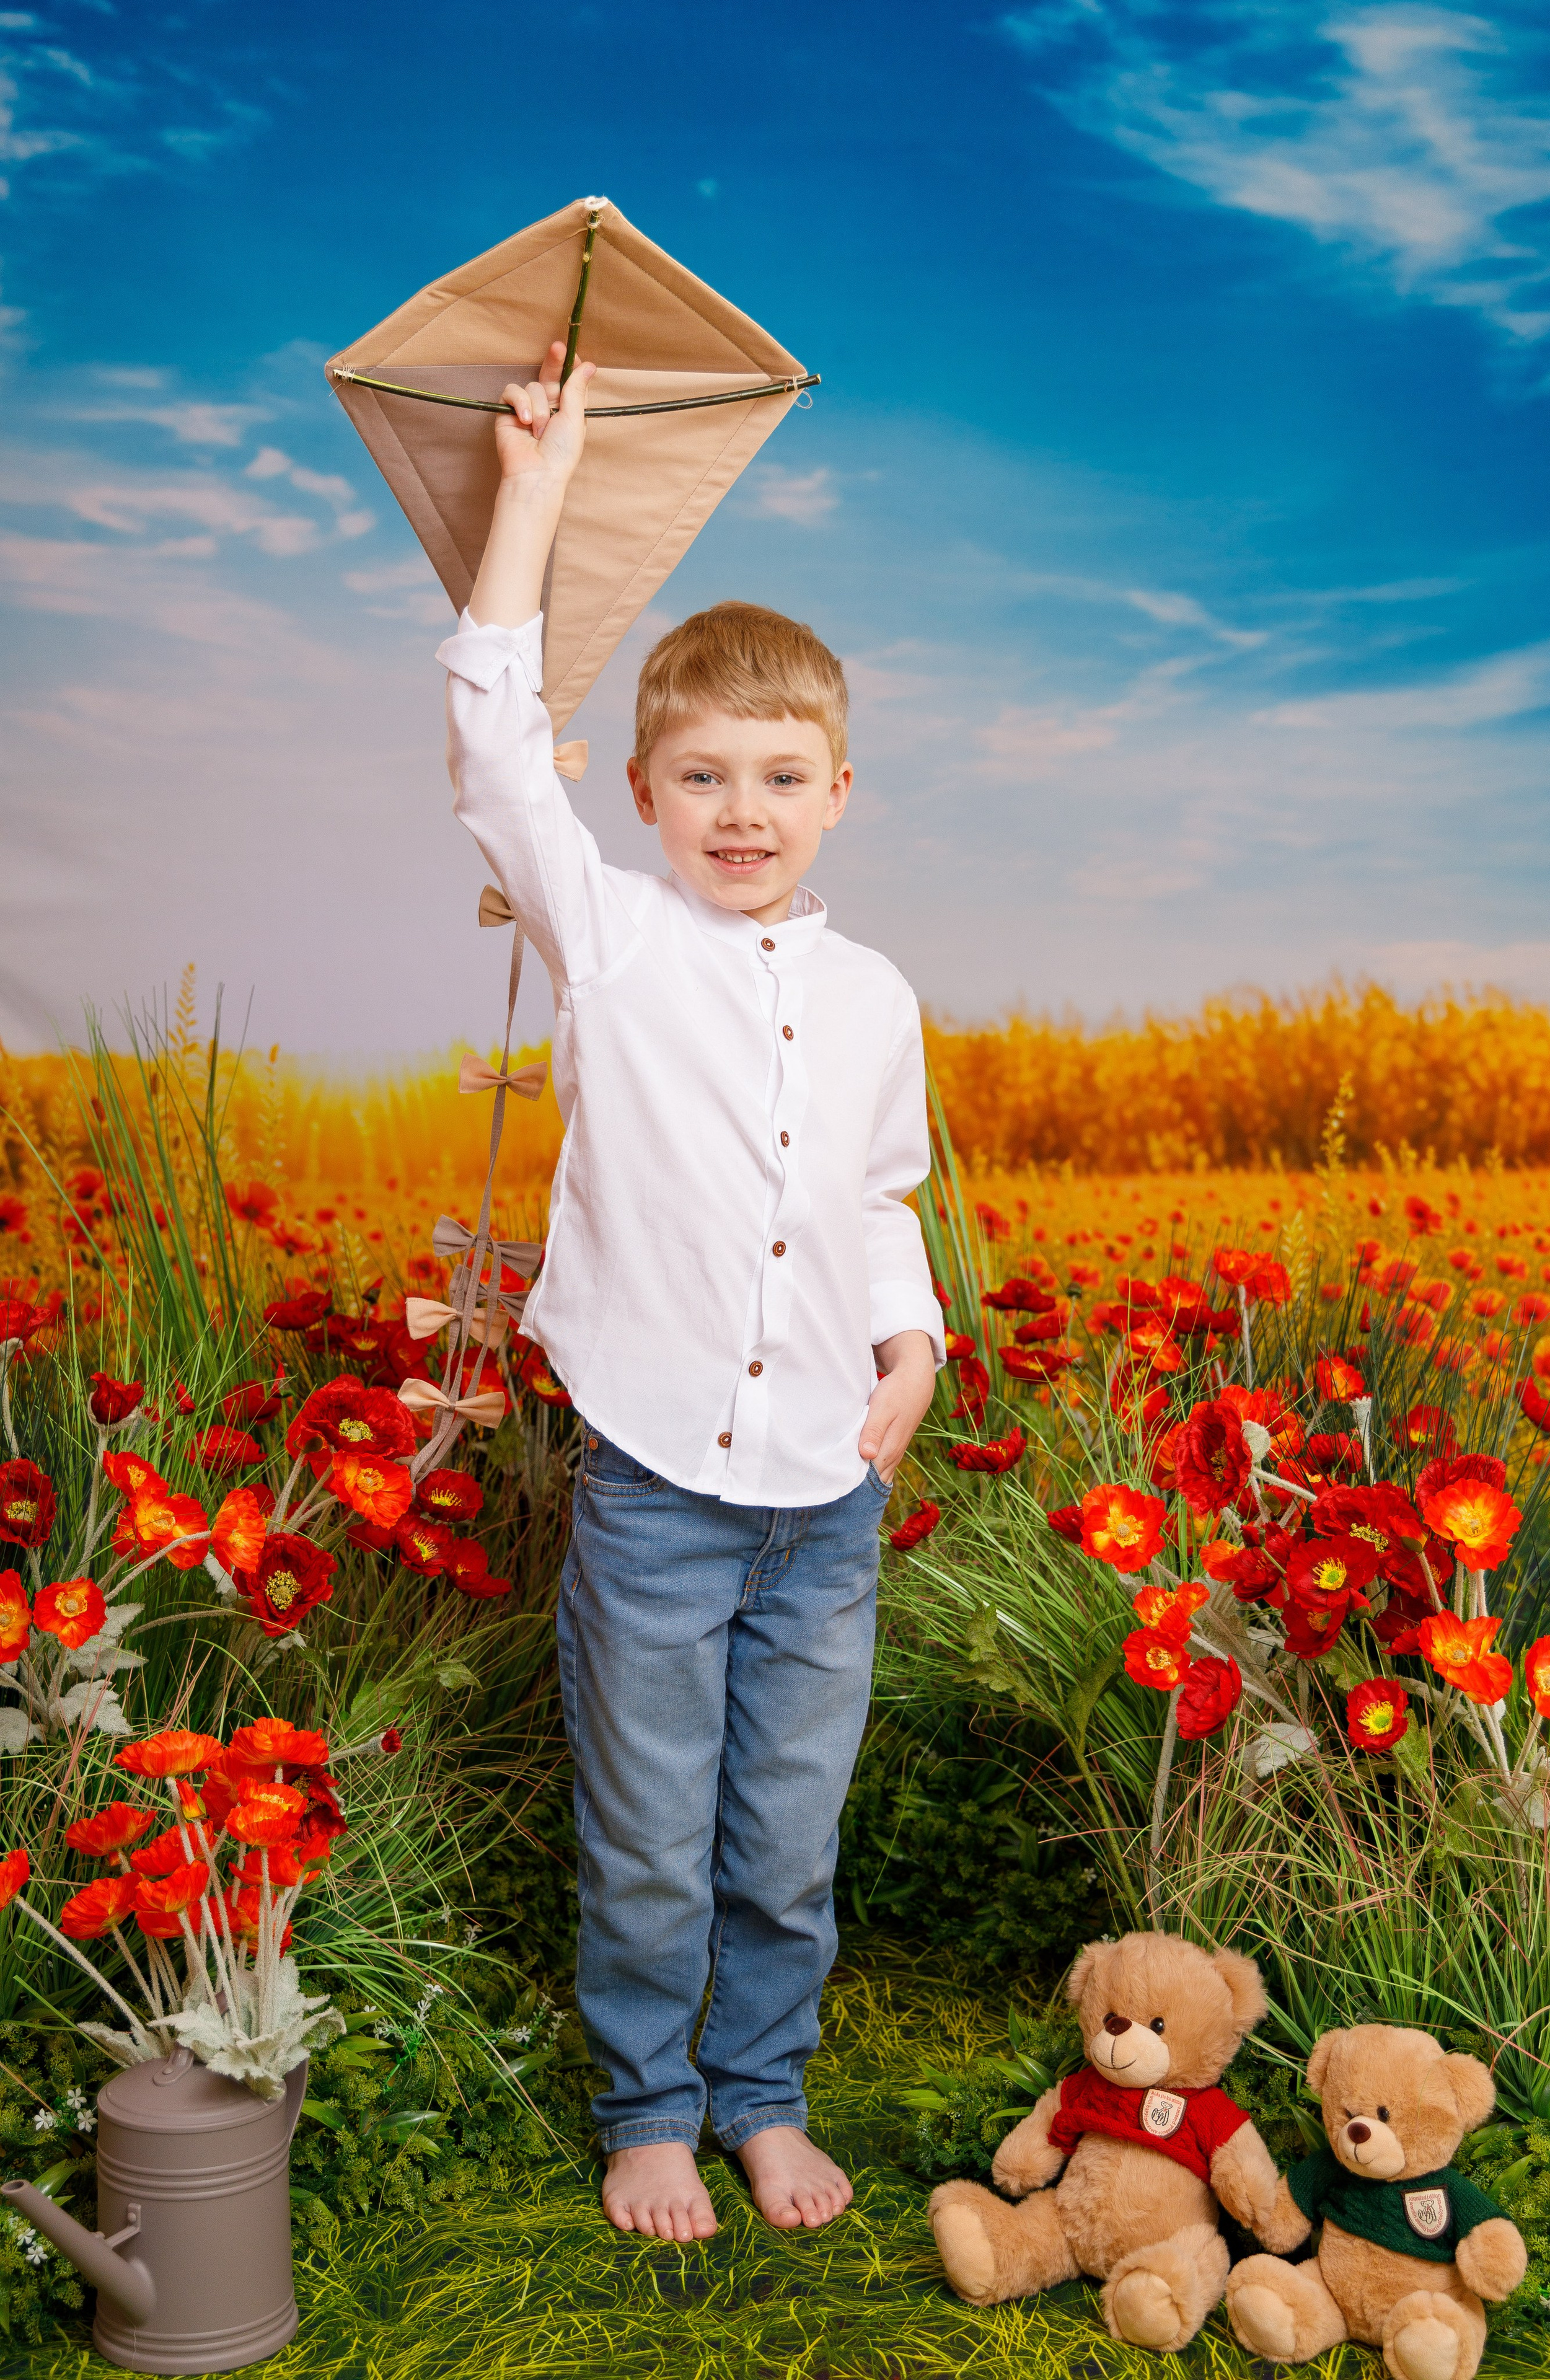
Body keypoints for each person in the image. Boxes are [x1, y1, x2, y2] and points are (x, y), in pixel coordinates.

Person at [438, 344, 943, 2243]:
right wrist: (536, 504)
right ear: (640, 789)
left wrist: (912, 1338)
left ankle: (763, 2093)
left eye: (783, 779)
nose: (745, 810)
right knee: (652, 1827)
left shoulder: (880, 993)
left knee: (785, 1831)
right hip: (660, 1486)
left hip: (830, 1491)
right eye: (705, 777)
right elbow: (494, 738)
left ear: (839, 794)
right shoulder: (613, 944)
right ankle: (650, 2107)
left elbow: (876, 1193)